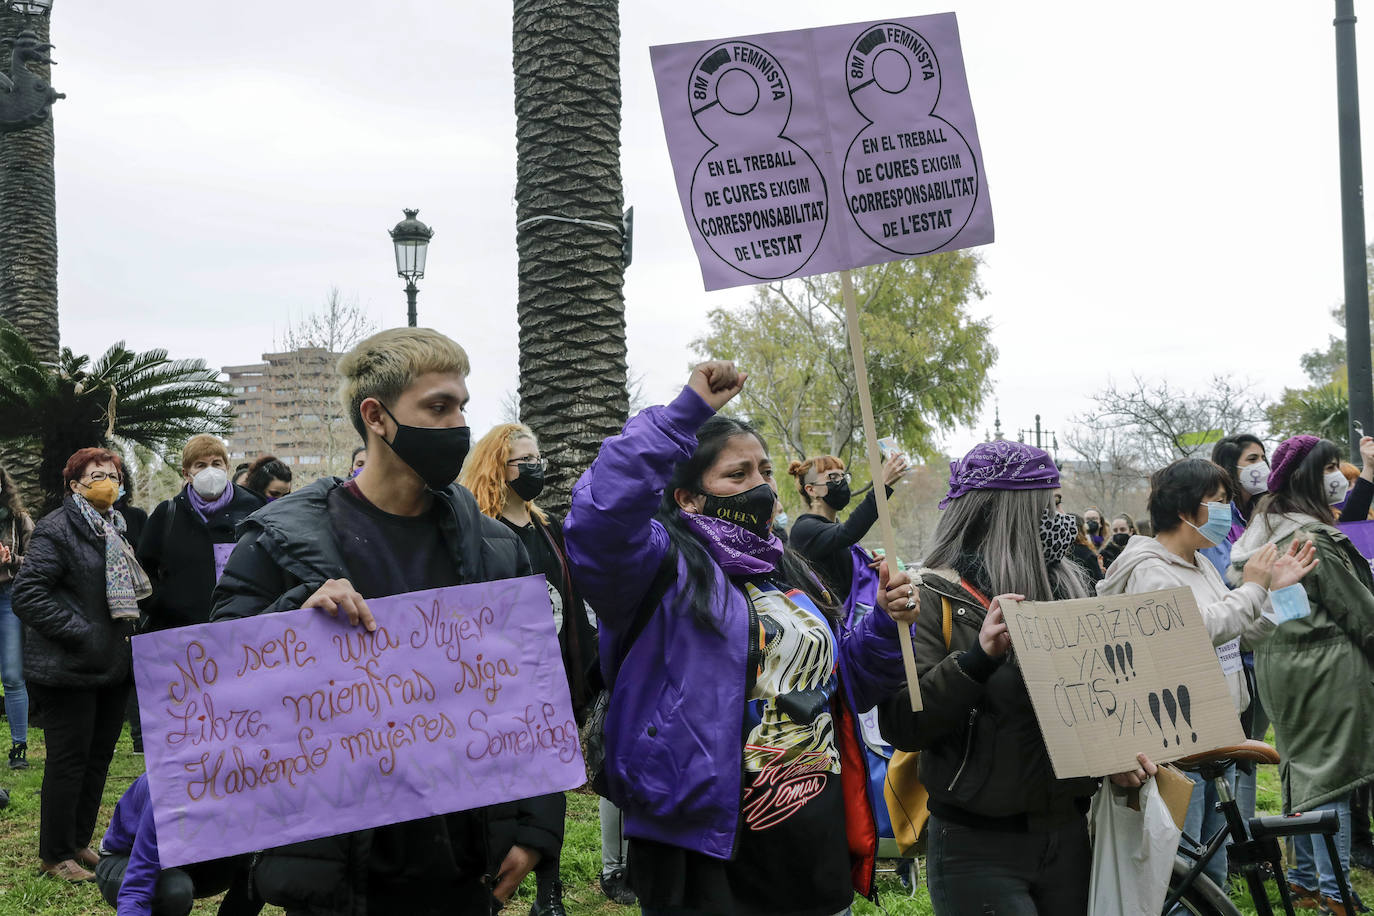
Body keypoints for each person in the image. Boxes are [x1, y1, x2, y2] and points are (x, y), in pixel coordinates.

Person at [210, 327, 547, 916]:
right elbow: (219, 683)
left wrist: (537, 827)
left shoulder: (495, 549)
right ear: (378, 416)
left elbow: (533, 688)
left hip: (460, 853)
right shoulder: (277, 545)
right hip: (333, 855)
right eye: (438, 407)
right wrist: (296, 617)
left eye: (462, 406)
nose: (458, 425)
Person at [563, 360, 918, 915]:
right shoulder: (656, 568)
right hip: (709, 843)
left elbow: (847, 681)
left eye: (766, 471)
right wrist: (686, 412)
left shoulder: (789, 567)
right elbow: (598, 516)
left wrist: (885, 628)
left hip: (809, 831)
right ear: (688, 498)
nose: (760, 486)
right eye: (737, 475)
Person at [877, 440, 1158, 916]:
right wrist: (978, 659)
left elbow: (1088, 702)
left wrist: (1115, 752)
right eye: (1046, 506)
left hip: (1068, 834)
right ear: (1006, 513)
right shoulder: (929, 597)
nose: (1060, 519)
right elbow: (905, 723)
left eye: (1059, 503)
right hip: (976, 847)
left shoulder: (1073, 586)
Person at [1097, 457, 1317, 892]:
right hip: (1179, 743)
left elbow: (1239, 635)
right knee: (1182, 872)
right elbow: (1192, 632)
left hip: (1218, 735)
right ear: (1183, 509)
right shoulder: (1149, 570)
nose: (1224, 513)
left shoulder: (1202, 564)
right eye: (1216, 502)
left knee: (1211, 869)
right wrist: (1254, 587)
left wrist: (1282, 591)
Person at [1228, 435, 1374, 915]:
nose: (1337, 474)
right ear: (1310, 476)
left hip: (1280, 664)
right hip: (1327, 667)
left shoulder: (1260, 531)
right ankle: (1337, 893)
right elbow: (1359, 613)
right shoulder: (1314, 538)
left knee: (1301, 773)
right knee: (1334, 778)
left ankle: (1305, 879)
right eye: (1330, 465)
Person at [460, 422, 599, 916]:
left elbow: (575, 597)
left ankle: (549, 891)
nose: (537, 467)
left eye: (540, 458)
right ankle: (487, 886)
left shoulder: (549, 527)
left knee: (550, 780)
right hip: (498, 687)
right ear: (500, 466)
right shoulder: (479, 530)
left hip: (552, 674)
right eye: (525, 460)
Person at [12, 447, 149, 882]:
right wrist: (82, 631)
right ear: (74, 485)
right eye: (96, 475)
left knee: (97, 760)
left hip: (110, 665)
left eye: (113, 473)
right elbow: (27, 595)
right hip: (67, 669)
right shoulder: (57, 529)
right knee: (69, 763)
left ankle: (78, 842)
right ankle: (54, 855)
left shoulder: (115, 529)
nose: (107, 481)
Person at [136, 435, 265, 633]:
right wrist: (164, 606)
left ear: (227, 467)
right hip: (182, 634)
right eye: (200, 465)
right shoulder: (167, 514)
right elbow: (143, 570)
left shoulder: (255, 509)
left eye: (216, 463)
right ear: (187, 474)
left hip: (244, 629)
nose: (210, 471)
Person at [96, 773, 262, 916]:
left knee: (261, 865)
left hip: (190, 860)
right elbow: (136, 888)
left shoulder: (247, 783)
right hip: (127, 859)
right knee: (175, 889)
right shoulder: (165, 792)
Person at [787, 451, 908, 610]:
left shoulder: (835, 531)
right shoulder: (804, 530)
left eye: (843, 476)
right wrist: (881, 486)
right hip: (829, 625)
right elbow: (848, 532)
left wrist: (871, 564)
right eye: (834, 477)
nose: (842, 482)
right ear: (811, 490)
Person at [0, 462, 34, 770]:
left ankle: (19, 747)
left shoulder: (19, 519)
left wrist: (12, 559)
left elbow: (39, 563)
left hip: (8, 598)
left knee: (12, 675)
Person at [1066, 514, 1104, 582]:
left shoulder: (1058, 552)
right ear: (1083, 529)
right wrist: (1099, 569)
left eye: (1094, 518)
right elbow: (1098, 583)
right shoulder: (1087, 554)